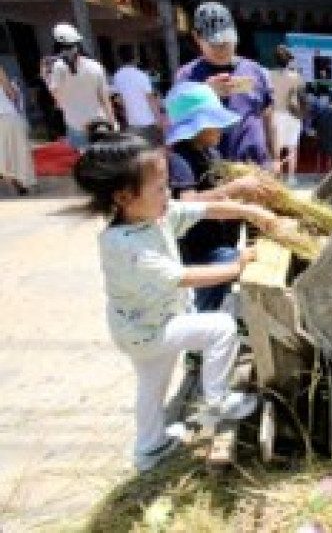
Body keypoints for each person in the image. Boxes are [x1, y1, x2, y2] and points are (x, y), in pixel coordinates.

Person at [72, 122, 282, 472]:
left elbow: (205, 210)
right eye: (159, 188)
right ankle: (218, 401)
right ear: (124, 198)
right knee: (221, 328)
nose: (167, 194)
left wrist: (250, 211)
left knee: (151, 387)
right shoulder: (125, 245)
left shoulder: (155, 215)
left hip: (140, 328)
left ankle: (149, 448)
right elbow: (181, 277)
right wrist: (237, 266)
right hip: (151, 329)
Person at [165, 81, 270, 313]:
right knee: (203, 301)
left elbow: (218, 192)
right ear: (196, 128)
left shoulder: (210, 152)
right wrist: (234, 188)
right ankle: (197, 330)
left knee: (219, 290)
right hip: (201, 250)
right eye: (214, 123)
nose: (221, 129)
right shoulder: (180, 159)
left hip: (220, 240)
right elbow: (187, 203)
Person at [176, 1, 276, 168]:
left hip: (257, 168)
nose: (222, 49)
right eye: (215, 44)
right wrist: (205, 94)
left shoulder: (254, 70)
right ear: (197, 37)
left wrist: (274, 156)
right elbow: (175, 120)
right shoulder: (187, 76)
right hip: (213, 171)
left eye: (227, 42)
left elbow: (267, 115)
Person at [46, 23, 117, 150]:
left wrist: (46, 77)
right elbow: (105, 98)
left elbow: (58, 100)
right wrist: (113, 122)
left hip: (76, 123)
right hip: (100, 121)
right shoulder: (95, 65)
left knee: (84, 156)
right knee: (103, 155)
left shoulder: (57, 67)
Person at [269, 44, 307, 184]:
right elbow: (302, 97)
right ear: (289, 60)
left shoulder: (269, 75)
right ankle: (291, 177)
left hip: (276, 113)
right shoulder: (297, 77)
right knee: (292, 147)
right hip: (293, 114)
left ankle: (276, 177)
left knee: (276, 147)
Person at [112, 44, 165, 145]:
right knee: (155, 149)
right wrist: (159, 119)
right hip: (149, 120)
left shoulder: (117, 76)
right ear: (135, 58)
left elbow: (118, 99)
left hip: (132, 122)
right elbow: (150, 99)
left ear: (119, 58)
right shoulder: (141, 75)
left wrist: (126, 112)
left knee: (140, 151)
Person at [0, 65, 35, 194]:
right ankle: (20, 181)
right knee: (18, 151)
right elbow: (12, 95)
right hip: (8, 115)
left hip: (5, 117)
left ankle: (12, 178)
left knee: (5, 153)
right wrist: (14, 89)